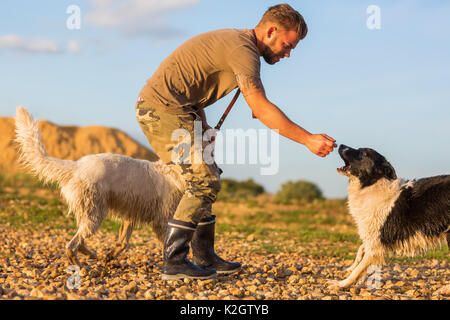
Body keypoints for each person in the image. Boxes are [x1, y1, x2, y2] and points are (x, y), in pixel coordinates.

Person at [135, 3, 337, 280]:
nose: (288, 54)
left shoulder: (241, 45)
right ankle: (175, 262)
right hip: (161, 111)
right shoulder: (242, 51)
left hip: (180, 111)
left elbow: (193, 83)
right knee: (203, 181)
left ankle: (205, 258)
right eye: (287, 45)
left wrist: (202, 123)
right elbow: (261, 108)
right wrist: (308, 140)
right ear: (270, 31)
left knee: (208, 176)